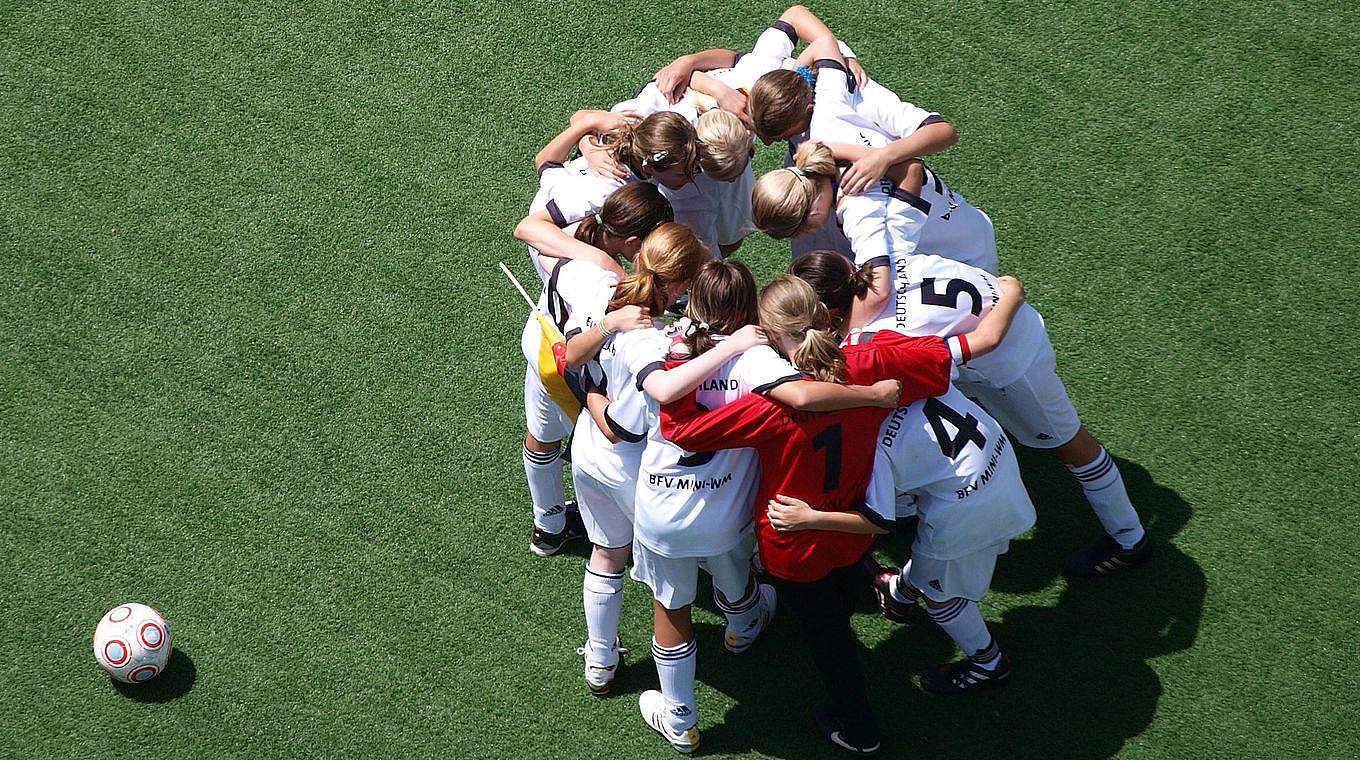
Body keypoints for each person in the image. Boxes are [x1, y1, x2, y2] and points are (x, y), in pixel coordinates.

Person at [660, 274, 1025, 755]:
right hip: (855, 527)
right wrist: (1012, 289)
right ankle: (872, 600)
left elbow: (680, 428)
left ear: (771, 338)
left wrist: (683, 352)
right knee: (847, 585)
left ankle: (860, 730)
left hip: (794, 543)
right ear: (823, 315)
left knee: (828, 640)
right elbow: (948, 359)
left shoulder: (771, 406)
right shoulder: (871, 362)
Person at [625, 260, 902, 754]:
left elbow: (643, 423)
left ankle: (680, 717)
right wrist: (875, 394)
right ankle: (743, 626)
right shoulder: (767, 366)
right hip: (733, 513)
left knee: (672, 606)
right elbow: (806, 391)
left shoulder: (649, 343)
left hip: (665, 509)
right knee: (735, 571)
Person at [793, 250, 1151, 575]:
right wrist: (1011, 291)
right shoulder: (896, 264)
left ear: (827, 310)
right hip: (1007, 335)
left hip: (1014, 364)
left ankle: (1128, 538)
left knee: (1071, 445)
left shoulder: (885, 334)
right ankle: (905, 505)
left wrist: (1013, 295)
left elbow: (978, 344)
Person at [564, 222, 708, 693]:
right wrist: (597, 403)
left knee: (605, 552)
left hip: (587, 454)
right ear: (681, 282)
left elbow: (571, 356)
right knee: (666, 586)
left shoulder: (613, 292)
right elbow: (625, 427)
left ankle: (600, 661)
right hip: (632, 466)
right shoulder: (657, 337)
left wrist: (590, 392)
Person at [516, 184, 673, 556]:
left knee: (541, 435)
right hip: (584, 373)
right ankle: (639, 541)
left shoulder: (568, 238)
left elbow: (532, 234)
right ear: (634, 241)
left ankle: (548, 526)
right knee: (613, 446)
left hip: (542, 352)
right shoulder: (612, 282)